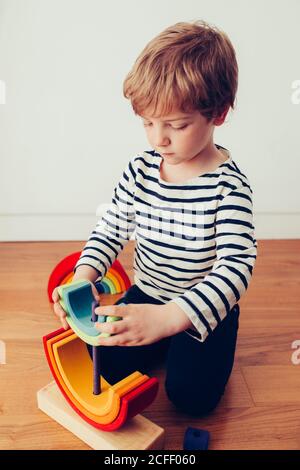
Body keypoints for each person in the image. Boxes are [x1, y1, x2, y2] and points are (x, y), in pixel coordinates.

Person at [52, 20, 257, 416]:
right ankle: (158, 338)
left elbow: (236, 268)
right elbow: (111, 228)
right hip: (150, 293)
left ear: (219, 113)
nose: (157, 139)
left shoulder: (228, 188)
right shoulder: (141, 170)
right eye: (147, 122)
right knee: (103, 363)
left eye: (176, 125)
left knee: (191, 400)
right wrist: (83, 278)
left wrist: (171, 319)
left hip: (199, 308)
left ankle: (182, 341)